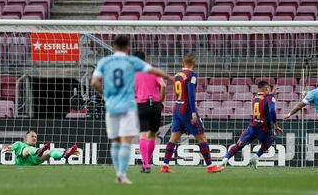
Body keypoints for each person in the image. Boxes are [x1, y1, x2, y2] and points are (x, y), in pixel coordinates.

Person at [91, 35, 173, 184]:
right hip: (152, 105)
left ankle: (134, 167)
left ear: (114, 47)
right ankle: (144, 164)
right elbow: (163, 84)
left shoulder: (119, 67)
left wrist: (104, 94)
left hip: (134, 105)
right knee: (151, 135)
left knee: (128, 138)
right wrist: (168, 81)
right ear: (127, 47)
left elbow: (95, 82)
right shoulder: (138, 65)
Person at [160, 53, 224, 174]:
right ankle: (210, 166)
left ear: (182, 62)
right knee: (201, 137)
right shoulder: (191, 75)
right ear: (193, 63)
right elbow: (191, 94)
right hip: (187, 109)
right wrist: (194, 112)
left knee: (173, 138)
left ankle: (164, 166)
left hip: (177, 108)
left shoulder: (177, 75)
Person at [220, 81, 283, 169]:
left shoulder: (255, 98)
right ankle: (256, 157)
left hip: (253, 127)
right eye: (268, 88)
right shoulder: (269, 98)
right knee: (271, 140)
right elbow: (272, 111)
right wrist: (276, 125)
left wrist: (271, 94)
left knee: (239, 144)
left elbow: (264, 100)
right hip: (264, 129)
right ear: (266, 88)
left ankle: (225, 159)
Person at [134, 51, 166, 173]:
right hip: (156, 106)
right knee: (152, 135)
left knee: (142, 134)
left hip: (141, 105)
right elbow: (163, 85)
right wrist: (161, 99)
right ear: (145, 59)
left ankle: (146, 164)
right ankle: (148, 161)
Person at [2, 129, 78, 165]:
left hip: (35, 158)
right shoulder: (19, 144)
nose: (34, 138)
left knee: (49, 152)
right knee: (28, 149)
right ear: (26, 137)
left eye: (35, 137)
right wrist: (8, 148)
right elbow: (12, 147)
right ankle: (38, 152)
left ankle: (64, 154)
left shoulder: (34, 149)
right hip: (22, 159)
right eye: (32, 136)